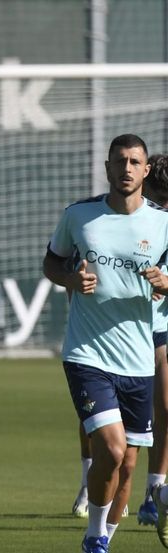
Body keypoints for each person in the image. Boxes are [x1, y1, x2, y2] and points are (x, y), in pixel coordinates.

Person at [43, 134, 168, 553]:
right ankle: (95, 541)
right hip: (87, 353)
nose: (126, 168)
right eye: (119, 161)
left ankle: (100, 543)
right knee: (112, 451)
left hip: (138, 357)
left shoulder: (163, 224)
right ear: (107, 166)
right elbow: (51, 263)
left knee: (127, 465)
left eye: (134, 161)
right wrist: (69, 279)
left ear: (145, 170)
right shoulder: (79, 216)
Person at [138, 153, 168, 528]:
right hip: (119, 331)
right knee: (125, 427)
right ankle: (93, 486)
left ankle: (152, 494)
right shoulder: (130, 220)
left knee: (164, 410)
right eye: (160, 200)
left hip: (160, 328)